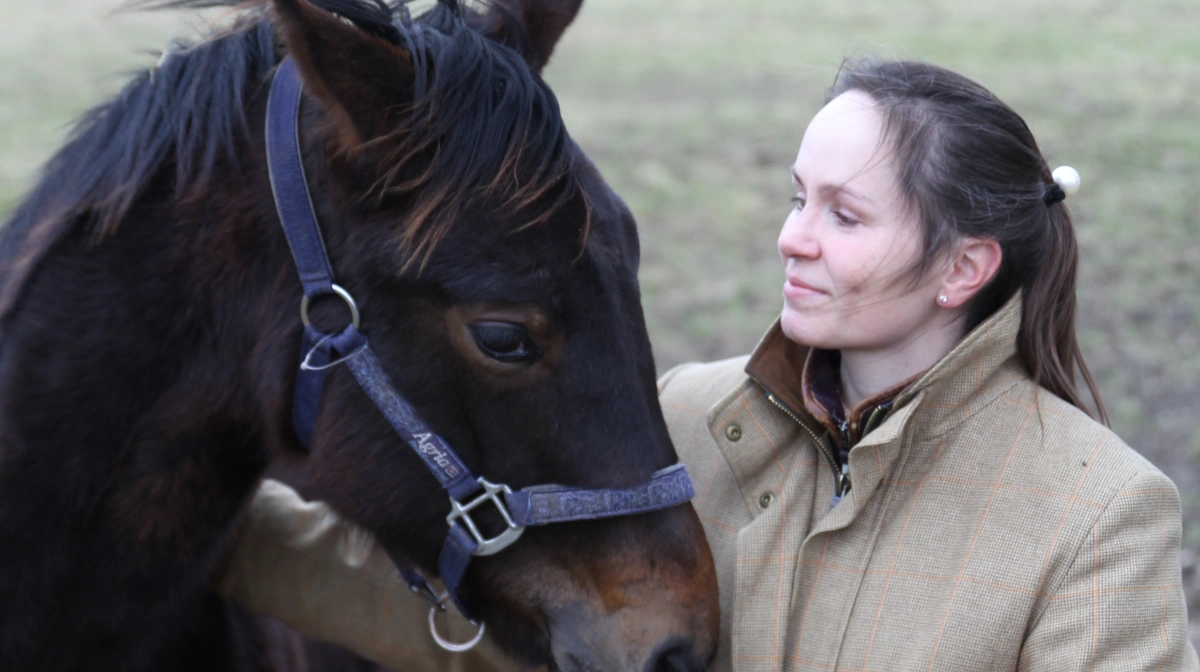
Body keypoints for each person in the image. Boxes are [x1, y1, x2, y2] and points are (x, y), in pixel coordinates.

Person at [216, 59, 1199, 670]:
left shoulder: (1099, 515)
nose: (792, 239)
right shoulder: (693, 416)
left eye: (843, 216)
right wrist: (199, 521)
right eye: (796, 197)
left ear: (962, 268)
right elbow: (510, 623)